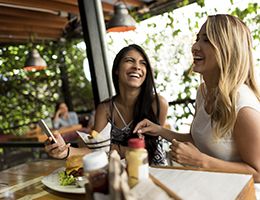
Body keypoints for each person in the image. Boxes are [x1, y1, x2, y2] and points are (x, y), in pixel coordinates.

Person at [133, 14, 260, 197]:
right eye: (197, 39)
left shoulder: (244, 107)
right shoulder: (204, 92)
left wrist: (201, 161)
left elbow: (258, 172)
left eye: (207, 40)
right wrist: (160, 130)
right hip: (211, 187)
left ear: (227, 49)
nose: (195, 47)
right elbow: (199, 140)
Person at [45, 44, 169, 165]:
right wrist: (65, 151)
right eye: (130, 60)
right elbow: (97, 150)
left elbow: (147, 150)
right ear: (116, 70)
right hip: (120, 175)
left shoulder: (157, 103)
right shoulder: (105, 109)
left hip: (156, 172)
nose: (137, 66)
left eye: (143, 63)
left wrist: (113, 148)